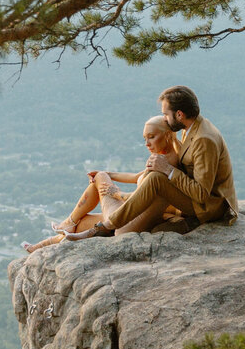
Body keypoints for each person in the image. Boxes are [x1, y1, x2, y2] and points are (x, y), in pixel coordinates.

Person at [66, 85, 236, 240]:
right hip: (196, 200)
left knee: (156, 178)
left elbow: (201, 194)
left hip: (209, 207)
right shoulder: (192, 127)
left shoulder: (203, 140)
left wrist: (168, 170)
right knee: (155, 178)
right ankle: (97, 224)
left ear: (179, 114)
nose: (164, 119)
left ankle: (105, 226)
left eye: (165, 115)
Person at [22, 116, 181, 252]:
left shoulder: (166, 164)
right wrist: (110, 174)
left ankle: (68, 222)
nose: (147, 143)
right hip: (128, 217)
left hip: (127, 222)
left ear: (167, 135)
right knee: (83, 222)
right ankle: (43, 245)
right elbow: (137, 177)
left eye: (152, 137)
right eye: (145, 138)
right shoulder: (163, 158)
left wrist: (115, 192)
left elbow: (142, 198)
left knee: (100, 177)